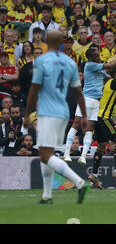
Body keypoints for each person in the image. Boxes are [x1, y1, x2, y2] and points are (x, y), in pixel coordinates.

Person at [23, 29, 90, 204]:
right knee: (48, 152)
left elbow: (34, 88)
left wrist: (27, 113)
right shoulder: (70, 62)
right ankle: (47, 195)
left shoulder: (42, 60)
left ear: (45, 40)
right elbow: (78, 91)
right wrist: (83, 115)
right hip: (63, 112)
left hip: (48, 112)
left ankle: (79, 182)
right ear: (60, 42)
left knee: (45, 155)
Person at [62, 44, 116, 165]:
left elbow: (107, 77)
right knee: (76, 124)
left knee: (89, 129)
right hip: (86, 99)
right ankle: (66, 153)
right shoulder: (90, 65)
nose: (99, 56)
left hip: (96, 102)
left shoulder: (98, 68)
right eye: (96, 55)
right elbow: (109, 65)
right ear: (90, 58)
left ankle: (83, 156)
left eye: (98, 54)